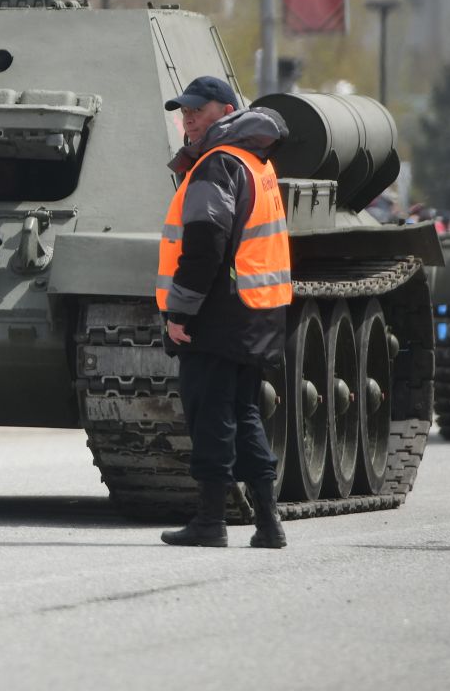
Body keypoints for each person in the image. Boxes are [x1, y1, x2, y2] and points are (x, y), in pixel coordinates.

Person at [155, 75, 292, 550]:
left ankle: (210, 522)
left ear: (226, 109)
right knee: (244, 412)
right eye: (184, 110)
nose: (188, 117)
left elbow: (204, 248)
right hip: (256, 313)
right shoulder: (255, 162)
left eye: (198, 109)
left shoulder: (217, 165)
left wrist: (179, 313)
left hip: (218, 313)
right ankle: (269, 523)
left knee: (209, 416)